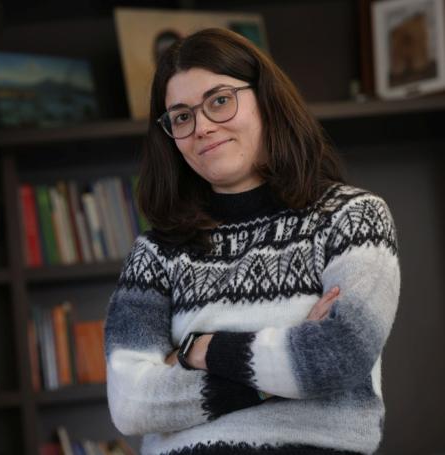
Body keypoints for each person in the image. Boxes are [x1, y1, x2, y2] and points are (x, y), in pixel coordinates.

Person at [104, 28, 400, 455]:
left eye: (219, 100)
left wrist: (199, 350)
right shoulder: (154, 254)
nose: (202, 127)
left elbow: (337, 356)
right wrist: (282, 368)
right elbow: (131, 404)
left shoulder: (351, 218)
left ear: (265, 100)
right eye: (182, 116)